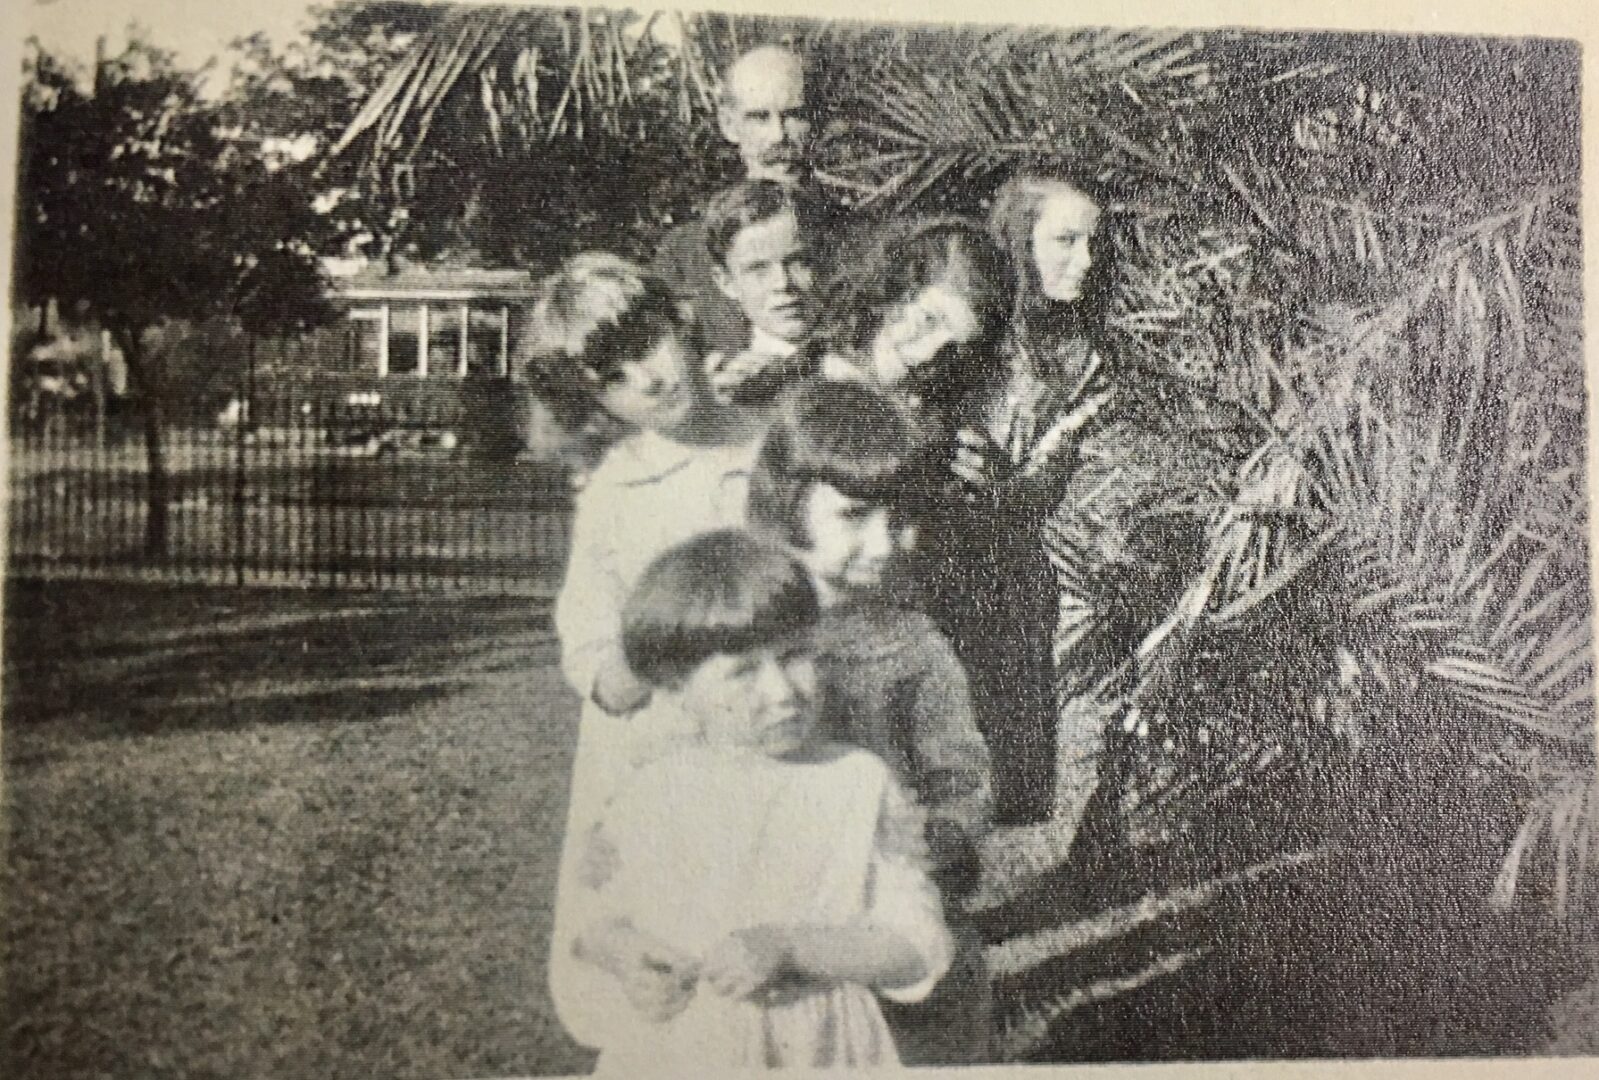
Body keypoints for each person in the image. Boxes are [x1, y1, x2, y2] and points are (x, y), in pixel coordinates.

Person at [563, 529, 953, 1071]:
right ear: (675, 687)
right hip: (682, 1048)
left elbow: (917, 944)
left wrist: (793, 949)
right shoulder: (651, 788)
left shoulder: (856, 783)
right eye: (743, 671)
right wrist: (629, 958)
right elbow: (599, 919)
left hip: (818, 1048)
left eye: (795, 657)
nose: (782, 691)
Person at [522, 253, 762, 1050]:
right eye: (613, 376)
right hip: (664, 753)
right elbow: (595, 659)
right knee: (673, 978)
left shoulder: (771, 450)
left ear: (681, 322)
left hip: (772, 733)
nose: (649, 380)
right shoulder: (616, 491)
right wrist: (652, 641)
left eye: (648, 344)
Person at [817, 217, 1104, 825]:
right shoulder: (826, 387)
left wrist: (991, 491)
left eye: (954, 345)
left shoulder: (946, 405)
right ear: (892, 290)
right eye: (926, 320)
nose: (928, 350)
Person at [746, 378, 997, 1064]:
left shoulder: (910, 644)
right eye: (855, 515)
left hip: (893, 927)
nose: (887, 542)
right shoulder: (739, 637)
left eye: (901, 517)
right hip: (766, 922)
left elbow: (961, 777)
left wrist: (934, 844)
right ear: (788, 501)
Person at [653, 45, 831, 359]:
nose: (778, 135)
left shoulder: (864, 237)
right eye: (759, 117)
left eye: (794, 116)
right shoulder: (684, 253)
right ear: (729, 125)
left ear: (817, 120)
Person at [700, 178, 825, 411]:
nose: (783, 283)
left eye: (799, 262)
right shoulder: (726, 389)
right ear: (726, 282)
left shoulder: (878, 348)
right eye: (758, 269)